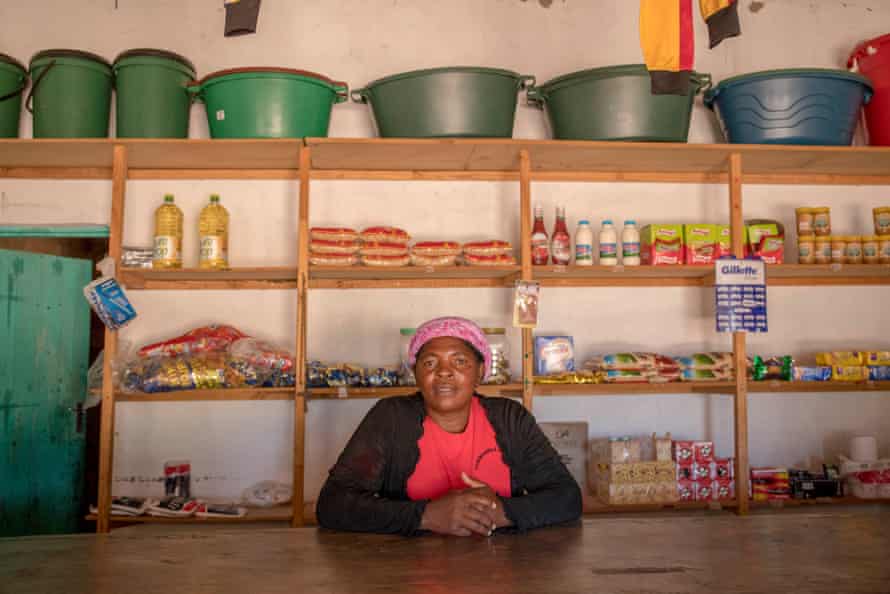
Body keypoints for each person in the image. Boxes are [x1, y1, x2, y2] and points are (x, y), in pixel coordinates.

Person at [316, 316, 582, 536]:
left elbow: (567, 497)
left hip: (501, 570)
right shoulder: (391, 418)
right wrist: (426, 516)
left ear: (480, 372)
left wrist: (498, 512)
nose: (443, 371)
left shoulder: (510, 419)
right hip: (403, 574)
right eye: (430, 363)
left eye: (459, 361)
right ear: (416, 373)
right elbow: (332, 504)